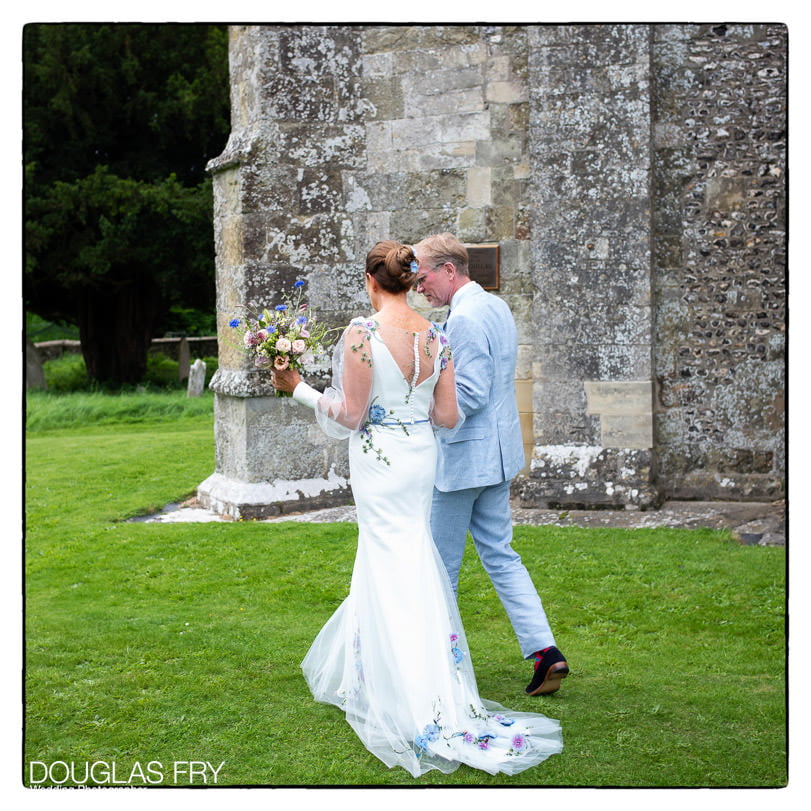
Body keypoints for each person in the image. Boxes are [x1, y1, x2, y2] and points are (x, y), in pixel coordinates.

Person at [271, 240, 562, 777]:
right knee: (418, 560)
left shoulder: (362, 333)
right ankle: (395, 675)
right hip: (420, 456)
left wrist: (299, 389)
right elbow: (448, 415)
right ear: (410, 279)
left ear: (371, 281)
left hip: (382, 461)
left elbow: (352, 414)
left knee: (391, 559)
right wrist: (409, 407)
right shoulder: (438, 334)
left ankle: (396, 687)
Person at [412, 233, 569, 697]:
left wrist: (413, 410)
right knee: (502, 556)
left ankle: (439, 667)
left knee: (441, 567)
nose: (419, 287)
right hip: (498, 455)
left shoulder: (464, 318)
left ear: (448, 270)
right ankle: (545, 653)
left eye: (423, 278)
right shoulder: (495, 306)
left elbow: (471, 394)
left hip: (463, 462)